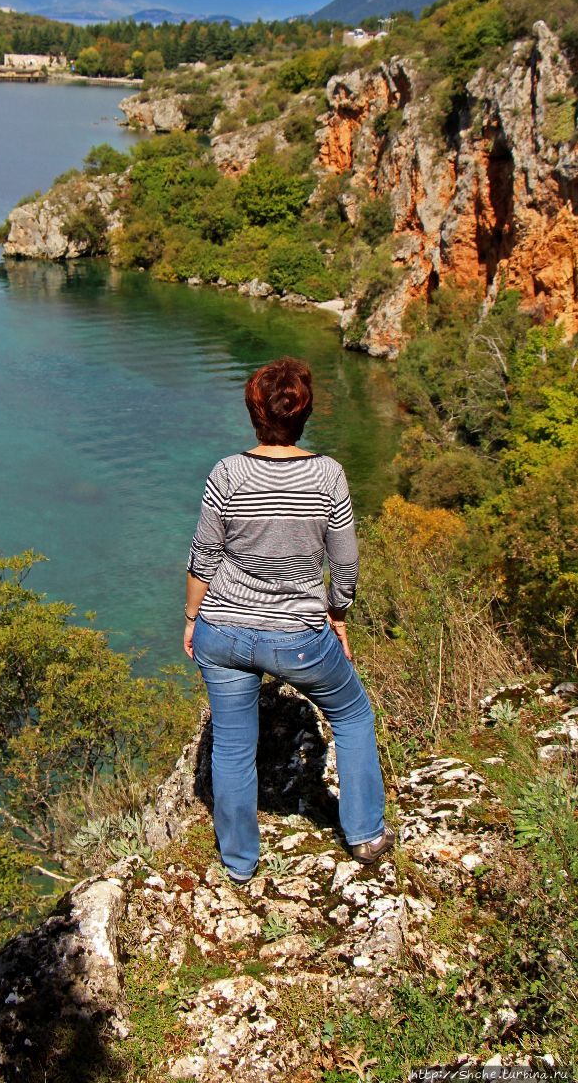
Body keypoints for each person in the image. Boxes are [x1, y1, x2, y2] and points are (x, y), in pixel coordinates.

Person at [184, 355, 395, 884]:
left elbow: (203, 556)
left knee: (232, 744)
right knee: (351, 715)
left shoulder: (227, 472)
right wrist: (338, 615)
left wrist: (192, 618)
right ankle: (365, 834)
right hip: (299, 637)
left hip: (224, 631)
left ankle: (238, 864)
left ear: (255, 413)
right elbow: (345, 563)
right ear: (303, 415)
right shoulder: (328, 475)